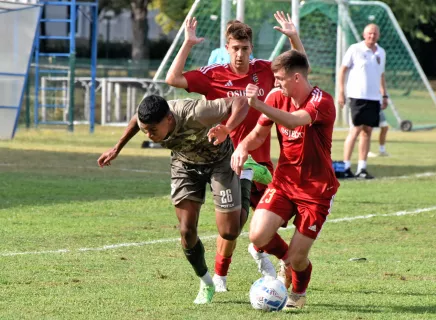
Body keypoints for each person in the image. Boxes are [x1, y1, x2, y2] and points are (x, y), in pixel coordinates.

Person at [165, 11, 309, 292]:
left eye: (245, 49)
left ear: (251, 48)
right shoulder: (213, 75)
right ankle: (220, 275)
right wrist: (188, 43)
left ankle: (260, 250)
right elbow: (173, 78)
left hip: (262, 160)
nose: (240, 54)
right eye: (235, 49)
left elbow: (299, 71)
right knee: (235, 222)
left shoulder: (265, 70)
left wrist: (293, 36)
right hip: (229, 160)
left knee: (277, 221)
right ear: (226, 48)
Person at [97, 95, 250, 304]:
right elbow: (136, 118)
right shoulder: (149, 120)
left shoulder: (197, 112)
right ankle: (206, 281)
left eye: (153, 130)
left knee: (229, 232)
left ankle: (247, 177)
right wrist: (117, 148)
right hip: (184, 165)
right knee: (186, 231)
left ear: (169, 119)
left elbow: (240, 102)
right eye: (145, 130)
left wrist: (227, 128)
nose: (149, 135)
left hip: (220, 162)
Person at [230, 50, 339, 309]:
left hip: (316, 191)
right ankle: (287, 263)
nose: (276, 83)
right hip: (284, 183)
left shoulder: (322, 102)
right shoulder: (277, 97)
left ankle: (298, 293)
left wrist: (258, 105)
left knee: (300, 256)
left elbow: (294, 120)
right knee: (258, 235)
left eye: (279, 79)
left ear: (297, 78)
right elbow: (258, 134)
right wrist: (243, 147)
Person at [337, 23, 389, 179]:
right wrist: (341, 91)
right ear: (364, 34)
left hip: (373, 98)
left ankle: (362, 168)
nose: (372, 36)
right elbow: (343, 70)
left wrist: (384, 95)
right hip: (357, 96)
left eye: (374, 33)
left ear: (378, 35)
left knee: (368, 131)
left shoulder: (381, 52)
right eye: (369, 33)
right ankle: (346, 166)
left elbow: (381, 75)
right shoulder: (355, 49)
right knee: (355, 130)